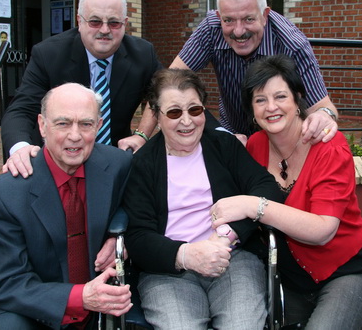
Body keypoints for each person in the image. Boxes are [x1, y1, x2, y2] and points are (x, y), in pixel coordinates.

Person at [210, 55, 362, 329]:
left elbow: (322, 230)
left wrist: (253, 205)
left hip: (346, 271)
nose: (271, 108)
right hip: (289, 277)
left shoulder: (329, 145)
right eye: (260, 100)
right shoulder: (255, 146)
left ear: (298, 97)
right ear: (250, 109)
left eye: (280, 96)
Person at [121, 69, 282, 330]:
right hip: (168, 270)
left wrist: (226, 236)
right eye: (174, 112)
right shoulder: (142, 164)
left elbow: (266, 187)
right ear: (158, 117)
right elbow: (138, 236)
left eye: (195, 110)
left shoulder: (223, 145)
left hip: (232, 258)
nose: (187, 121)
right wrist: (186, 255)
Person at [0, 83, 133, 330]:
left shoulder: (117, 165)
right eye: (62, 123)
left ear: (99, 126)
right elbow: (8, 283)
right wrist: (80, 297)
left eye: (86, 124)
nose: (75, 135)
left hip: (99, 304)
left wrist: (120, 238)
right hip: (29, 306)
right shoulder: (6, 194)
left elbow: (142, 211)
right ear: (42, 126)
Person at [1, 0, 162, 178]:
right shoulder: (49, 54)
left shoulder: (143, 55)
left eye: (114, 23)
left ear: (125, 23)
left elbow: (165, 95)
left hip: (115, 162)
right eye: (95, 21)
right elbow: (21, 110)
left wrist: (142, 135)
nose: (104, 30)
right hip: (59, 161)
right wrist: (21, 148)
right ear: (79, 21)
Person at [170, 0, 338, 145]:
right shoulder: (211, 29)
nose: (238, 31)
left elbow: (323, 107)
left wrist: (324, 116)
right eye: (228, 20)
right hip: (232, 133)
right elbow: (169, 81)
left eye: (248, 19)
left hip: (280, 142)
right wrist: (142, 136)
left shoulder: (292, 44)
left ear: (265, 15)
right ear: (219, 16)